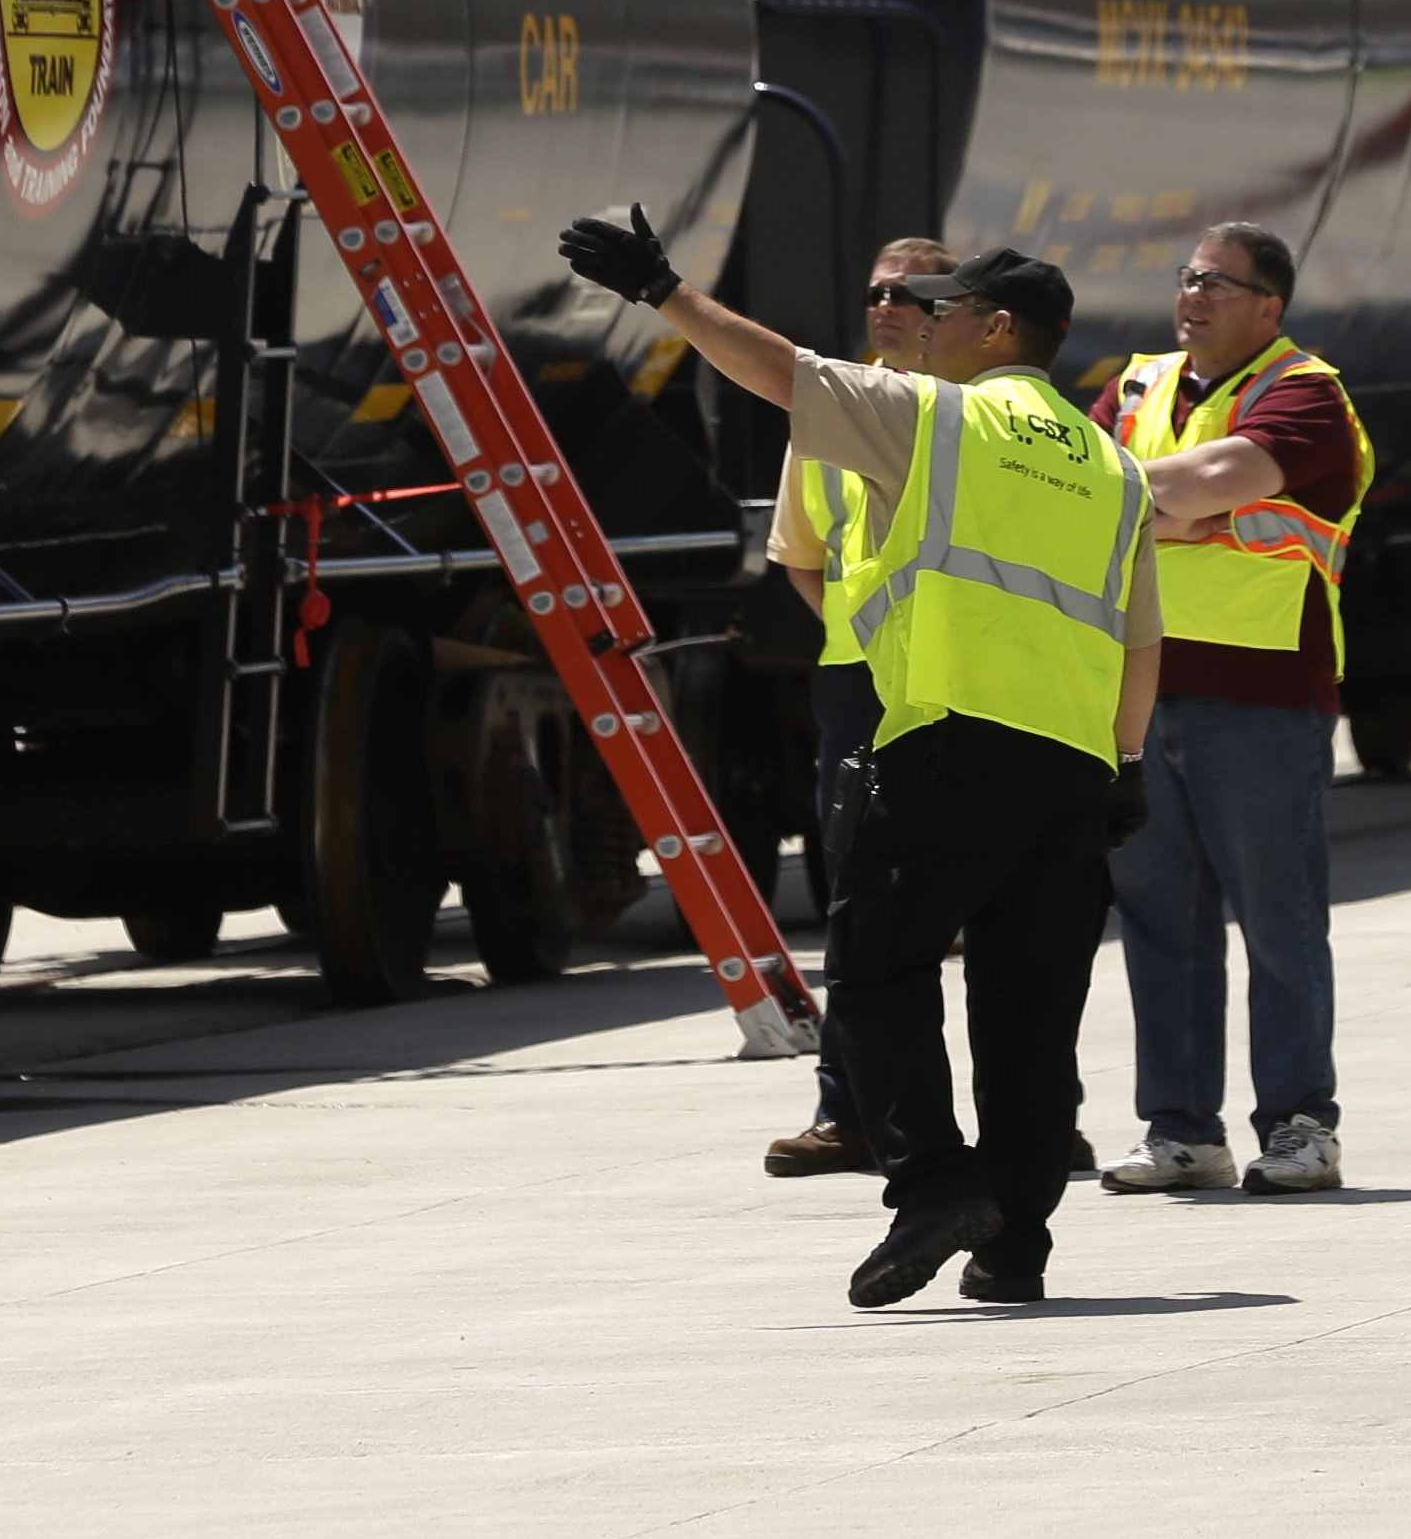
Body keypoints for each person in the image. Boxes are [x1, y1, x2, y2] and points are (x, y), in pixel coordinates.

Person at [559, 214, 1158, 1307]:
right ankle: (1015, 1246)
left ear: (995, 328)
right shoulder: (1116, 468)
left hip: (947, 741)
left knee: (880, 970)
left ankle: (932, 1182)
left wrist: (661, 289)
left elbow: (777, 371)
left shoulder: (938, 421)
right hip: (1070, 769)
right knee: (1030, 1008)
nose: (925, 323)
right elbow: (1141, 636)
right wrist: (1123, 766)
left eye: (947, 308)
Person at [1092, 222, 1368, 1198]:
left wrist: (1162, 502)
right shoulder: (1135, 388)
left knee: (1279, 920)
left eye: (1218, 282)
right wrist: (1174, 513)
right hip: (1138, 689)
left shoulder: (1305, 394)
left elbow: (1218, 479)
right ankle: (1181, 1131)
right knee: (1161, 920)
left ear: (1269, 306)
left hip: (1260, 695)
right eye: (1187, 278)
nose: (1194, 296)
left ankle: (1300, 1125)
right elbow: (1089, 491)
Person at [756, 235, 955, 1179]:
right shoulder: (827, 410)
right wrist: (868, 630)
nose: (889, 307)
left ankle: (1023, 1113)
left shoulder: (969, 411)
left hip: (961, 678)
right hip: (860, 685)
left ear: (950, 309)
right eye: (878, 291)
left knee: (979, 898)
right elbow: (801, 558)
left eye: (912, 295)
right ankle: (848, 1114)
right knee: (856, 901)